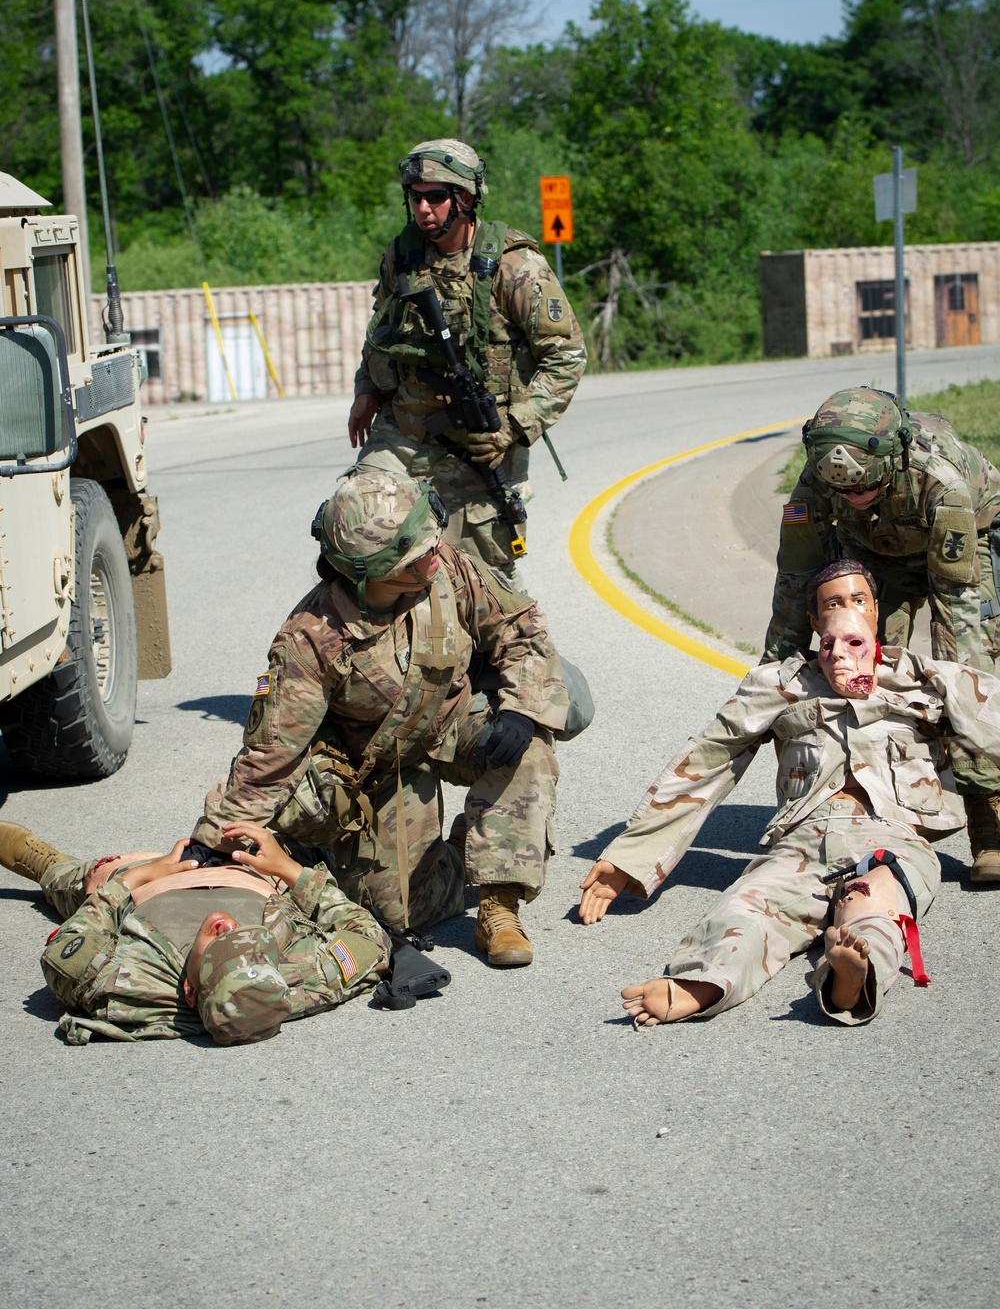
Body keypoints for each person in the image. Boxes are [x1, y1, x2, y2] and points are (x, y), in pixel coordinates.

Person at [187, 470, 581, 967]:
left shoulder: (448, 568)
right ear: (371, 571)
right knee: (395, 916)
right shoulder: (310, 639)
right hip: (378, 767)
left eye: (431, 540)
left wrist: (523, 709)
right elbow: (271, 754)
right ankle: (459, 857)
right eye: (417, 553)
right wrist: (213, 841)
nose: (435, 552)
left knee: (528, 751)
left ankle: (499, 904)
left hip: (456, 724)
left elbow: (517, 627)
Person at [578, 577, 1000, 1027]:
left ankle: (850, 979)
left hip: (893, 840)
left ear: (876, 610)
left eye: (858, 600)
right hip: (802, 843)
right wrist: (631, 856)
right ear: (814, 622)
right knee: (747, 906)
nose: (846, 610)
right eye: (832, 604)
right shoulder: (778, 684)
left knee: (873, 904)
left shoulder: (931, 679)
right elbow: (707, 761)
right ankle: (702, 984)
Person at [763, 386, 1000, 883]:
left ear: (891, 459)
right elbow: (796, 579)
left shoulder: (941, 482)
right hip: (874, 551)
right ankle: (876, 802)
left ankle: (988, 821)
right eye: (843, 492)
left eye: (861, 488)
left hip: (961, 544)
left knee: (964, 671)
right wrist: (773, 676)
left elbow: (958, 616)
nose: (851, 497)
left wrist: (963, 694)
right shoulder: (815, 484)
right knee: (866, 663)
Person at [348, 138, 586, 575]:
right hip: (402, 435)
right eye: (415, 197)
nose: (423, 209)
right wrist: (366, 390)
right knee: (358, 534)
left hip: (481, 447)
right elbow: (381, 331)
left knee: (480, 585)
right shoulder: (403, 256)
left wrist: (512, 427)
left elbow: (566, 357)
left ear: (466, 197)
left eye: (435, 197)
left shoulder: (516, 267)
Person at [0, 820, 390, 1046]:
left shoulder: (134, 980)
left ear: (190, 991)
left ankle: (47, 864)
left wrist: (139, 877)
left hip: (150, 879)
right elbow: (368, 938)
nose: (228, 926)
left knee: (81, 881)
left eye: (219, 945)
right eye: (246, 938)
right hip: (249, 868)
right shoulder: (290, 981)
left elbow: (66, 956)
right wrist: (287, 868)